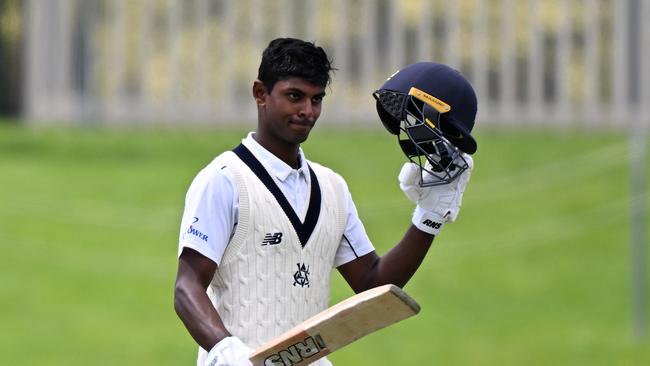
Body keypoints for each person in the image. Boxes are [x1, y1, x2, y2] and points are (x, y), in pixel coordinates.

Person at [174, 38, 478, 366]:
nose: (307, 111)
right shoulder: (224, 179)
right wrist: (225, 350)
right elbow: (187, 286)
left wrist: (429, 216)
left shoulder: (332, 188)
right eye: (295, 96)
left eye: (316, 99)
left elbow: (372, 283)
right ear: (260, 93)